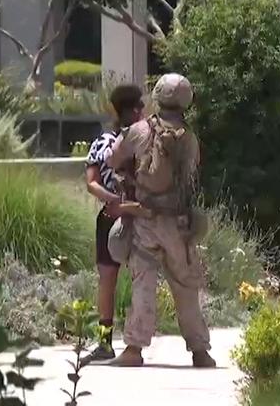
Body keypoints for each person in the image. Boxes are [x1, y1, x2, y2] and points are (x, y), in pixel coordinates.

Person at [106, 73, 215, 368]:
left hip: (144, 219)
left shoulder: (139, 131)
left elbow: (113, 160)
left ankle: (134, 349)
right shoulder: (190, 138)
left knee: (143, 283)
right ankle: (200, 350)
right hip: (179, 223)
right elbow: (191, 177)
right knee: (185, 286)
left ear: (157, 96)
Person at [80, 84, 146, 366]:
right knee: (137, 278)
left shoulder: (103, 142)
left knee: (108, 280)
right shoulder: (142, 141)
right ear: (135, 110)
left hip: (110, 217)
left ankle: (106, 342)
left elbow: (91, 182)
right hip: (136, 217)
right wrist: (117, 200)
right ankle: (129, 342)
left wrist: (109, 200)